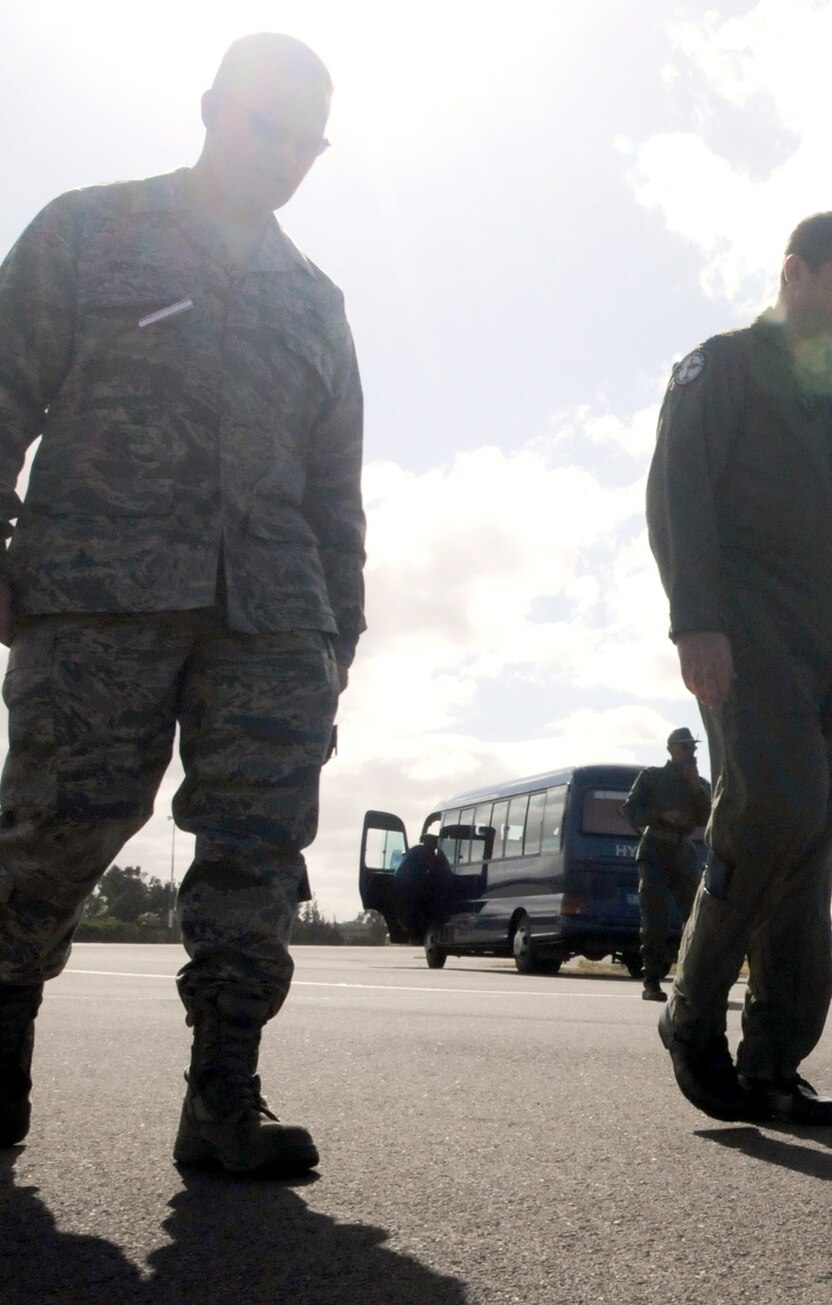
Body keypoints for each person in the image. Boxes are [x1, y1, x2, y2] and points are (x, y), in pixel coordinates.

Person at [0, 34, 363, 1174]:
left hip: (271, 620)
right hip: (98, 592)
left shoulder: (315, 301)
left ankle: (224, 1098)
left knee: (255, 854)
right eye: (269, 127)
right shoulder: (87, 229)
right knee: (60, 830)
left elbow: (333, 490)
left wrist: (336, 634)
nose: (288, 156)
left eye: (309, 141)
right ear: (212, 109)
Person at [647, 211, 832, 1126]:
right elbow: (678, 497)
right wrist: (697, 623)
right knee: (770, 807)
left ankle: (774, 1062)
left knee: (810, 839)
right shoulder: (723, 367)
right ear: (794, 272)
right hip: (747, 631)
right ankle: (692, 1009)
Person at [622, 727, 712, 1002]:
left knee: (697, 919)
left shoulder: (700, 784)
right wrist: (660, 815)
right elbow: (631, 811)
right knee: (654, 919)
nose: (690, 752)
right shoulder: (652, 777)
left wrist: (696, 789)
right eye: (685, 747)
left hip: (683, 853)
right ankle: (651, 981)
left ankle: (695, 980)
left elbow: (708, 817)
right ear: (671, 749)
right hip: (655, 853)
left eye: (693, 748)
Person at [392, 833, 451, 945]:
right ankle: (417, 932)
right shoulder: (425, 852)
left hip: (400, 882)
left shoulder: (415, 849)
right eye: (434, 843)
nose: (435, 846)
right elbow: (435, 869)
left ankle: (409, 928)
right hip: (409, 883)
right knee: (427, 903)